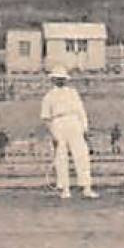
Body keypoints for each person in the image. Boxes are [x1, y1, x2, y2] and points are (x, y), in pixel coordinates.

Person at [41, 67, 97, 200]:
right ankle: (65, 189)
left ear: (66, 80)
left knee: (81, 155)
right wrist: (53, 133)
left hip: (74, 122)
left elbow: (81, 111)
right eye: (57, 79)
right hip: (58, 122)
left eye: (62, 79)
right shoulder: (49, 96)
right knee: (61, 157)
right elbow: (45, 117)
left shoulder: (73, 93)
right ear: (53, 80)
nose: (60, 81)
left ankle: (86, 187)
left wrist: (84, 128)